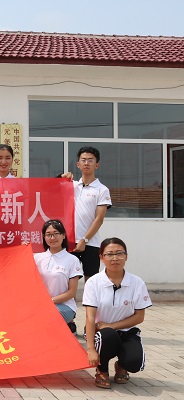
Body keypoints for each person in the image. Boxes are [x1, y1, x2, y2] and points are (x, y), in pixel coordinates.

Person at [83, 237, 151, 389]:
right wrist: (90, 349)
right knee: (108, 335)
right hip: (100, 333)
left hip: (126, 332)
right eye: (109, 254)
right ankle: (102, 370)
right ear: (102, 257)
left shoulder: (137, 283)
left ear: (126, 256)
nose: (115, 258)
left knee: (135, 363)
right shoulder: (93, 282)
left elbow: (139, 317)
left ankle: (121, 365)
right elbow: (90, 317)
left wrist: (112, 325)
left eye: (119, 253)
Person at [63, 146, 112, 281]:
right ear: (78, 164)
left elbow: (99, 219)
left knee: (91, 281)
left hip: (90, 243)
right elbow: (49, 189)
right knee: (67, 280)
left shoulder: (102, 190)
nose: (86, 163)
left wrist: (84, 240)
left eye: (90, 160)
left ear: (97, 165)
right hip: (70, 242)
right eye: (83, 160)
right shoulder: (71, 186)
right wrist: (62, 177)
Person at [33, 219, 82, 335]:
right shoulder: (36, 258)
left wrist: (49, 302)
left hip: (64, 306)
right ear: (44, 237)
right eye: (48, 234)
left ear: (63, 235)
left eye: (56, 233)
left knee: (45, 316)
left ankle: (67, 327)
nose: (52, 238)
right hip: (41, 305)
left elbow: (72, 292)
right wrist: (22, 250)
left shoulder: (72, 260)